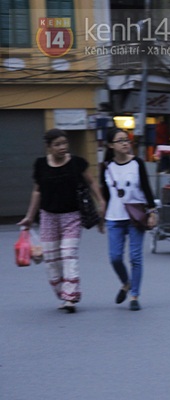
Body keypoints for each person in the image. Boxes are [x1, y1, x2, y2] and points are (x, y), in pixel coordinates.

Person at [18, 128, 105, 313]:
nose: (62, 147)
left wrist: (101, 201)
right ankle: (63, 294)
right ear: (49, 147)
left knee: (68, 254)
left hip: (71, 216)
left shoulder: (77, 163)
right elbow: (37, 191)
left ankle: (70, 298)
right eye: (57, 144)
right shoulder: (41, 165)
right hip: (48, 217)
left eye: (64, 143)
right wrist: (29, 216)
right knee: (51, 259)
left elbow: (91, 182)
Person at [100, 127, 158, 311]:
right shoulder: (107, 167)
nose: (125, 143)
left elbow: (147, 189)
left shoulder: (137, 164)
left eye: (127, 139)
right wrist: (101, 217)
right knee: (115, 258)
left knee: (135, 258)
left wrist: (153, 212)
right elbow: (105, 195)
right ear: (111, 145)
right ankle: (126, 283)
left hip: (135, 217)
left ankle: (134, 295)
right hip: (114, 217)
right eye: (120, 140)